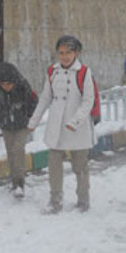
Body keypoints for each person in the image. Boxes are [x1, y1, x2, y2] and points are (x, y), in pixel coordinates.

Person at [28, 35, 96, 214]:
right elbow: (45, 98)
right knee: (54, 166)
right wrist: (34, 120)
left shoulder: (84, 72)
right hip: (56, 127)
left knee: (80, 167)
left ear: (76, 53)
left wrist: (76, 121)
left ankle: (83, 199)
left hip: (77, 128)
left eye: (69, 52)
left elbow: (88, 101)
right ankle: (55, 200)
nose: (65, 56)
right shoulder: (52, 71)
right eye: (61, 53)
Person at [0, 62, 38, 199]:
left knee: (18, 150)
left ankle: (19, 183)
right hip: (6, 126)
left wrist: (28, 117)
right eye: (3, 84)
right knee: (11, 152)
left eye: (9, 84)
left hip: (21, 125)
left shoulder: (23, 87)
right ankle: (15, 181)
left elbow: (33, 100)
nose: (6, 87)